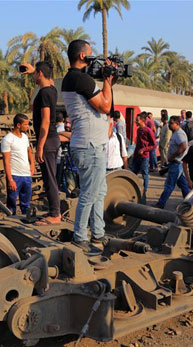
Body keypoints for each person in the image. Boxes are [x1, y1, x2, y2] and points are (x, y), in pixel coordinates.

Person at [61, 39, 116, 252]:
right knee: (89, 193)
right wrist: (108, 81)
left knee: (99, 191)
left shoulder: (73, 78)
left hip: (90, 144)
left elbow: (102, 101)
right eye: (91, 54)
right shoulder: (80, 79)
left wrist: (108, 81)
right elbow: (105, 106)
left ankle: (98, 233)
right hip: (89, 145)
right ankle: (80, 236)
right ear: (83, 56)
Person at [21, 61, 61, 225]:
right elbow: (49, 80)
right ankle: (54, 211)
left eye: (36, 73)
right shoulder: (51, 89)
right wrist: (34, 71)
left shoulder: (45, 94)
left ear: (40, 74)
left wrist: (40, 146)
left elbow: (45, 121)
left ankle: (55, 214)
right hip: (52, 139)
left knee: (49, 178)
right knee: (50, 177)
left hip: (48, 140)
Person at [1, 114, 35, 215]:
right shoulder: (7, 139)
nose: (27, 127)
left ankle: (25, 219)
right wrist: (10, 179)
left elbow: (29, 152)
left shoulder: (25, 137)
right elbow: (6, 161)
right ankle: (11, 221)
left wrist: (32, 165)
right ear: (18, 125)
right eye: (26, 124)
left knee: (26, 202)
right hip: (15, 176)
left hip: (26, 175)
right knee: (12, 203)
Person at [154, 115, 191, 209]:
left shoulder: (179, 134)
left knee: (169, 185)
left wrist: (172, 156)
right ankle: (190, 202)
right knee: (183, 185)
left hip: (176, 163)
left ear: (177, 124)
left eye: (171, 123)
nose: (169, 125)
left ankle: (161, 203)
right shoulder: (176, 132)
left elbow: (183, 147)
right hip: (177, 164)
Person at [131, 113, 156, 198]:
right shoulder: (139, 130)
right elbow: (138, 143)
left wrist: (144, 149)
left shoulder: (148, 131)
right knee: (133, 172)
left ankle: (144, 192)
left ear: (142, 120)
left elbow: (154, 145)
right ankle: (132, 188)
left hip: (144, 157)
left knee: (145, 174)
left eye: (137, 120)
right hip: (137, 156)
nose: (135, 122)